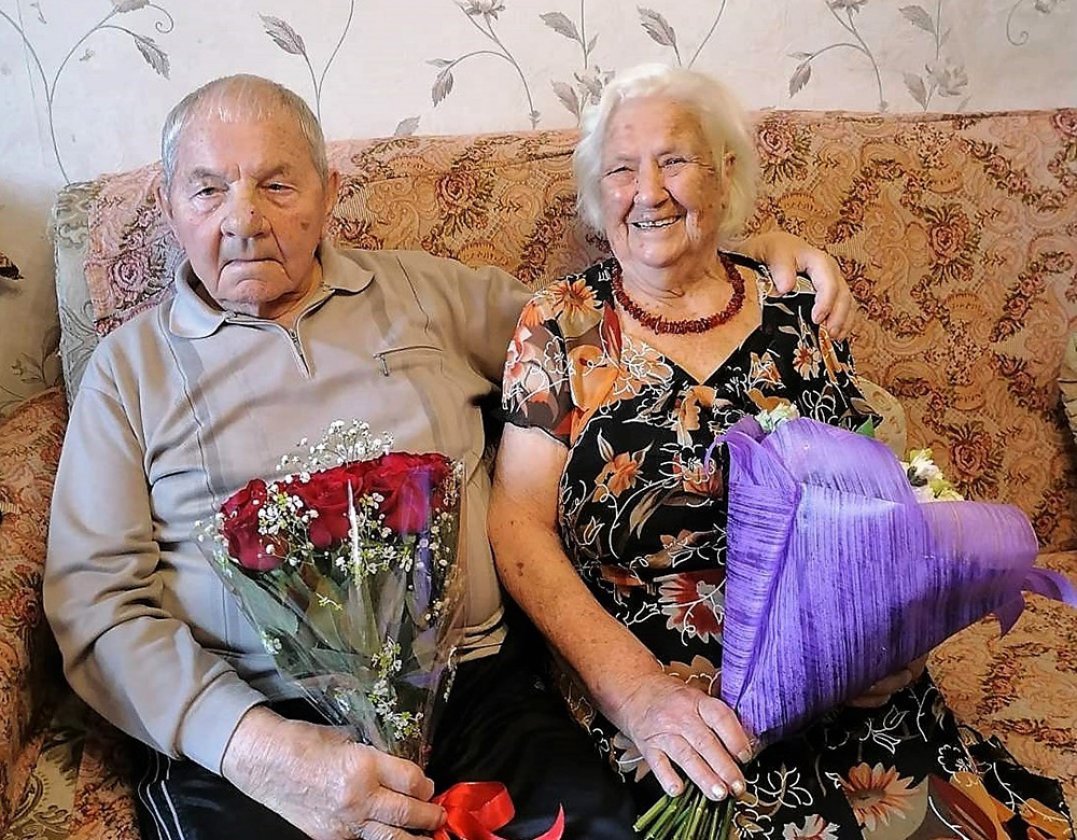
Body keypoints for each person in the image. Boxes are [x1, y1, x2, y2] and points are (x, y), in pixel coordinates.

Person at [43, 74, 858, 840]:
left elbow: (602, 327)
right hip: (254, 720)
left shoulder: (424, 295)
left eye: (277, 185)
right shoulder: (129, 372)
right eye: (208, 189)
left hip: (477, 691)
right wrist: (258, 749)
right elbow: (94, 602)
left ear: (329, 192)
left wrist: (736, 260)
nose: (243, 219)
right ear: (169, 205)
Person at [489, 64, 1073, 839]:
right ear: (599, 196)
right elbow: (516, 524)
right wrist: (633, 692)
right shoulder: (561, 324)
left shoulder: (799, 304)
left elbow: (879, 496)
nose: (647, 191)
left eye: (673, 160)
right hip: (671, 698)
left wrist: (896, 635)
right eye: (621, 170)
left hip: (839, 675)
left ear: (724, 173)